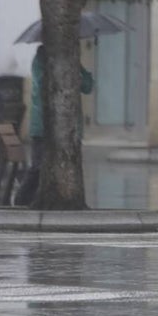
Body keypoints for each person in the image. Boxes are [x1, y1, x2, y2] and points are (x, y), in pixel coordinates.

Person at [16, 44, 95, 205]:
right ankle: (21, 201)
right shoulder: (40, 59)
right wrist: (67, 78)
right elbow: (42, 84)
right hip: (43, 125)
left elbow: (87, 86)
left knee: (67, 169)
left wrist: (78, 73)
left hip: (70, 126)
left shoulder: (72, 60)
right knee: (38, 167)